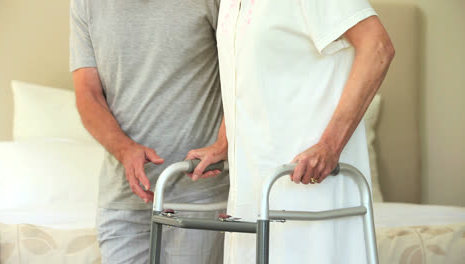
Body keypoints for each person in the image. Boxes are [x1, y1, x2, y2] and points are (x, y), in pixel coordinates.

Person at [194, 0, 395, 263]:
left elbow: (377, 47)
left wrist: (330, 145)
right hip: (253, 196)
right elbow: (247, 77)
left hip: (310, 190)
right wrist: (224, 141)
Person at [69, 0, 229, 263]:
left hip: (198, 197)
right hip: (122, 202)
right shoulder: (86, 4)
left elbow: (243, 73)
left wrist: (224, 141)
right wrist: (125, 150)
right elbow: (88, 94)